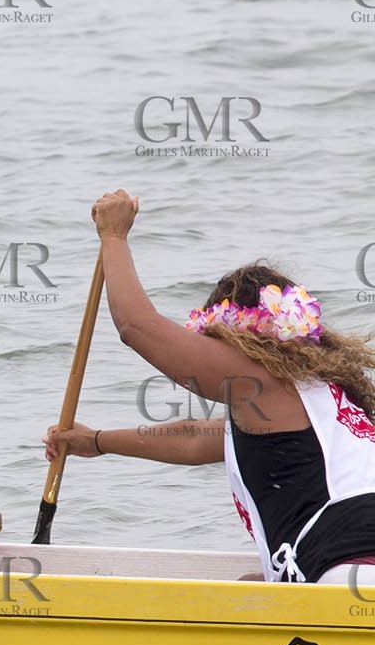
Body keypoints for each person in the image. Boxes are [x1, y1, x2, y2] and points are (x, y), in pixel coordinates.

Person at [44, 188, 375, 584]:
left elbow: (136, 327)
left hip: (352, 570)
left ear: (235, 336)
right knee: (250, 587)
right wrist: (97, 441)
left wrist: (113, 237)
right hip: (351, 568)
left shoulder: (260, 379)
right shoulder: (322, 395)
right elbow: (194, 439)